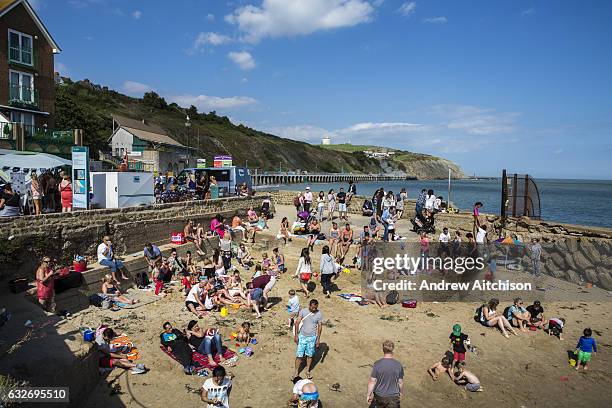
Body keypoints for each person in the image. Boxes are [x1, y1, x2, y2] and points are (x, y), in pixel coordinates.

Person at [367, 340, 404, 407]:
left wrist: (369, 394)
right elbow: (400, 382)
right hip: (393, 398)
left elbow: (372, 381)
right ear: (393, 350)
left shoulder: (377, 364)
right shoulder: (398, 365)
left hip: (379, 397)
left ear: (383, 350)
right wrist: (400, 392)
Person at [293, 299, 323, 380]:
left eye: (315, 308)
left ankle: (307, 370)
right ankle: (296, 372)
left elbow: (320, 327)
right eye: (312, 308)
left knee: (310, 355)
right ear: (309, 305)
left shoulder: (319, 314)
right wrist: (296, 335)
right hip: (302, 336)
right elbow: (297, 323)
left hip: (312, 338)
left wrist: (318, 339)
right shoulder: (303, 311)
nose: (314, 310)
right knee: (299, 355)